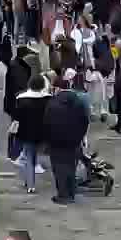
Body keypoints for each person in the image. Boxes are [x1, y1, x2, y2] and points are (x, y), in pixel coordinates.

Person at [44, 77, 87, 205]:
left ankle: (63, 194)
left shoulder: (52, 103)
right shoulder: (78, 102)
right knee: (70, 166)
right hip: (73, 141)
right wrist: (79, 137)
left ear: (57, 88)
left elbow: (46, 124)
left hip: (56, 142)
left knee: (59, 168)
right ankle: (71, 191)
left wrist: (49, 140)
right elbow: (84, 121)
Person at [10, 74, 50, 195]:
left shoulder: (21, 99)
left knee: (28, 158)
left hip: (26, 132)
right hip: (42, 132)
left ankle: (30, 184)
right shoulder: (47, 99)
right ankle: (29, 181)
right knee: (34, 156)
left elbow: (16, 117)